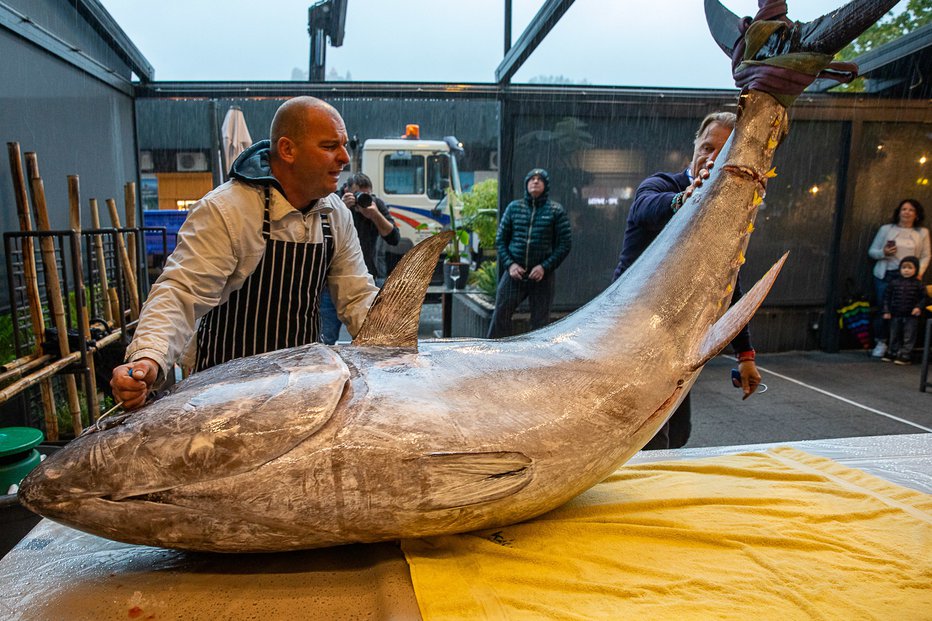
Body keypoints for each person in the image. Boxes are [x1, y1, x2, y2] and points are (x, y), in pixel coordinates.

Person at [111, 96, 378, 410]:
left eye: (344, 145)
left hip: (299, 389)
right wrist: (148, 357)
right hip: (220, 393)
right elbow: (181, 293)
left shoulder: (334, 215)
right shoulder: (227, 209)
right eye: (330, 146)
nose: (345, 157)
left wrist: (396, 347)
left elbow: (358, 296)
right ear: (288, 150)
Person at [611, 111, 762, 450]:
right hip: (631, 330)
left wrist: (745, 355)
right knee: (652, 438)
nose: (711, 156)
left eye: (722, 152)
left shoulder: (727, 212)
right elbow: (646, 207)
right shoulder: (662, 185)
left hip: (676, 342)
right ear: (694, 146)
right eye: (707, 146)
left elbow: (727, 283)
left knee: (678, 434)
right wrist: (687, 198)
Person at [487, 168, 572, 338]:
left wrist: (544, 267)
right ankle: (492, 355)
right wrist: (510, 265)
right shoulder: (514, 208)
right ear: (526, 184)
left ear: (545, 186)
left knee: (540, 323)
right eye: (531, 179)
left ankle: (537, 360)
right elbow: (500, 240)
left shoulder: (555, 211)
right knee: (500, 315)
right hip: (514, 274)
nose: (535, 181)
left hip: (542, 276)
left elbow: (565, 244)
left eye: (540, 179)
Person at [320, 173, 400, 344]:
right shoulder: (333, 204)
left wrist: (375, 215)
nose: (362, 199)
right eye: (358, 195)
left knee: (369, 338)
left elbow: (394, 238)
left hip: (368, 277)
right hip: (330, 282)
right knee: (325, 339)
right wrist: (342, 208)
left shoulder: (374, 205)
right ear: (347, 190)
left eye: (366, 195)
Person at [867, 199, 930, 358]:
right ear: (898, 212)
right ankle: (881, 342)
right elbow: (872, 251)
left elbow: (925, 255)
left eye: (911, 210)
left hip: (910, 277)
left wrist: (919, 272)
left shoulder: (922, 233)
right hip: (887, 273)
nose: (907, 212)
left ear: (916, 214)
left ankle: (901, 347)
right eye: (904, 209)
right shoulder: (886, 229)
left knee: (906, 312)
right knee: (884, 307)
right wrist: (884, 253)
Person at [880, 256, 927, 365]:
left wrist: (918, 307)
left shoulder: (918, 284)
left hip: (911, 315)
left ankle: (906, 354)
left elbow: (923, 298)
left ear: (916, 269)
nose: (906, 270)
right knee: (894, 334)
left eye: (910, 268)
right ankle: (892, 351)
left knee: (909, 335)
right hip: (895, 313)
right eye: (903, 267)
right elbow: (887, 297)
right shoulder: (894, 283)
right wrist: (886, 311)